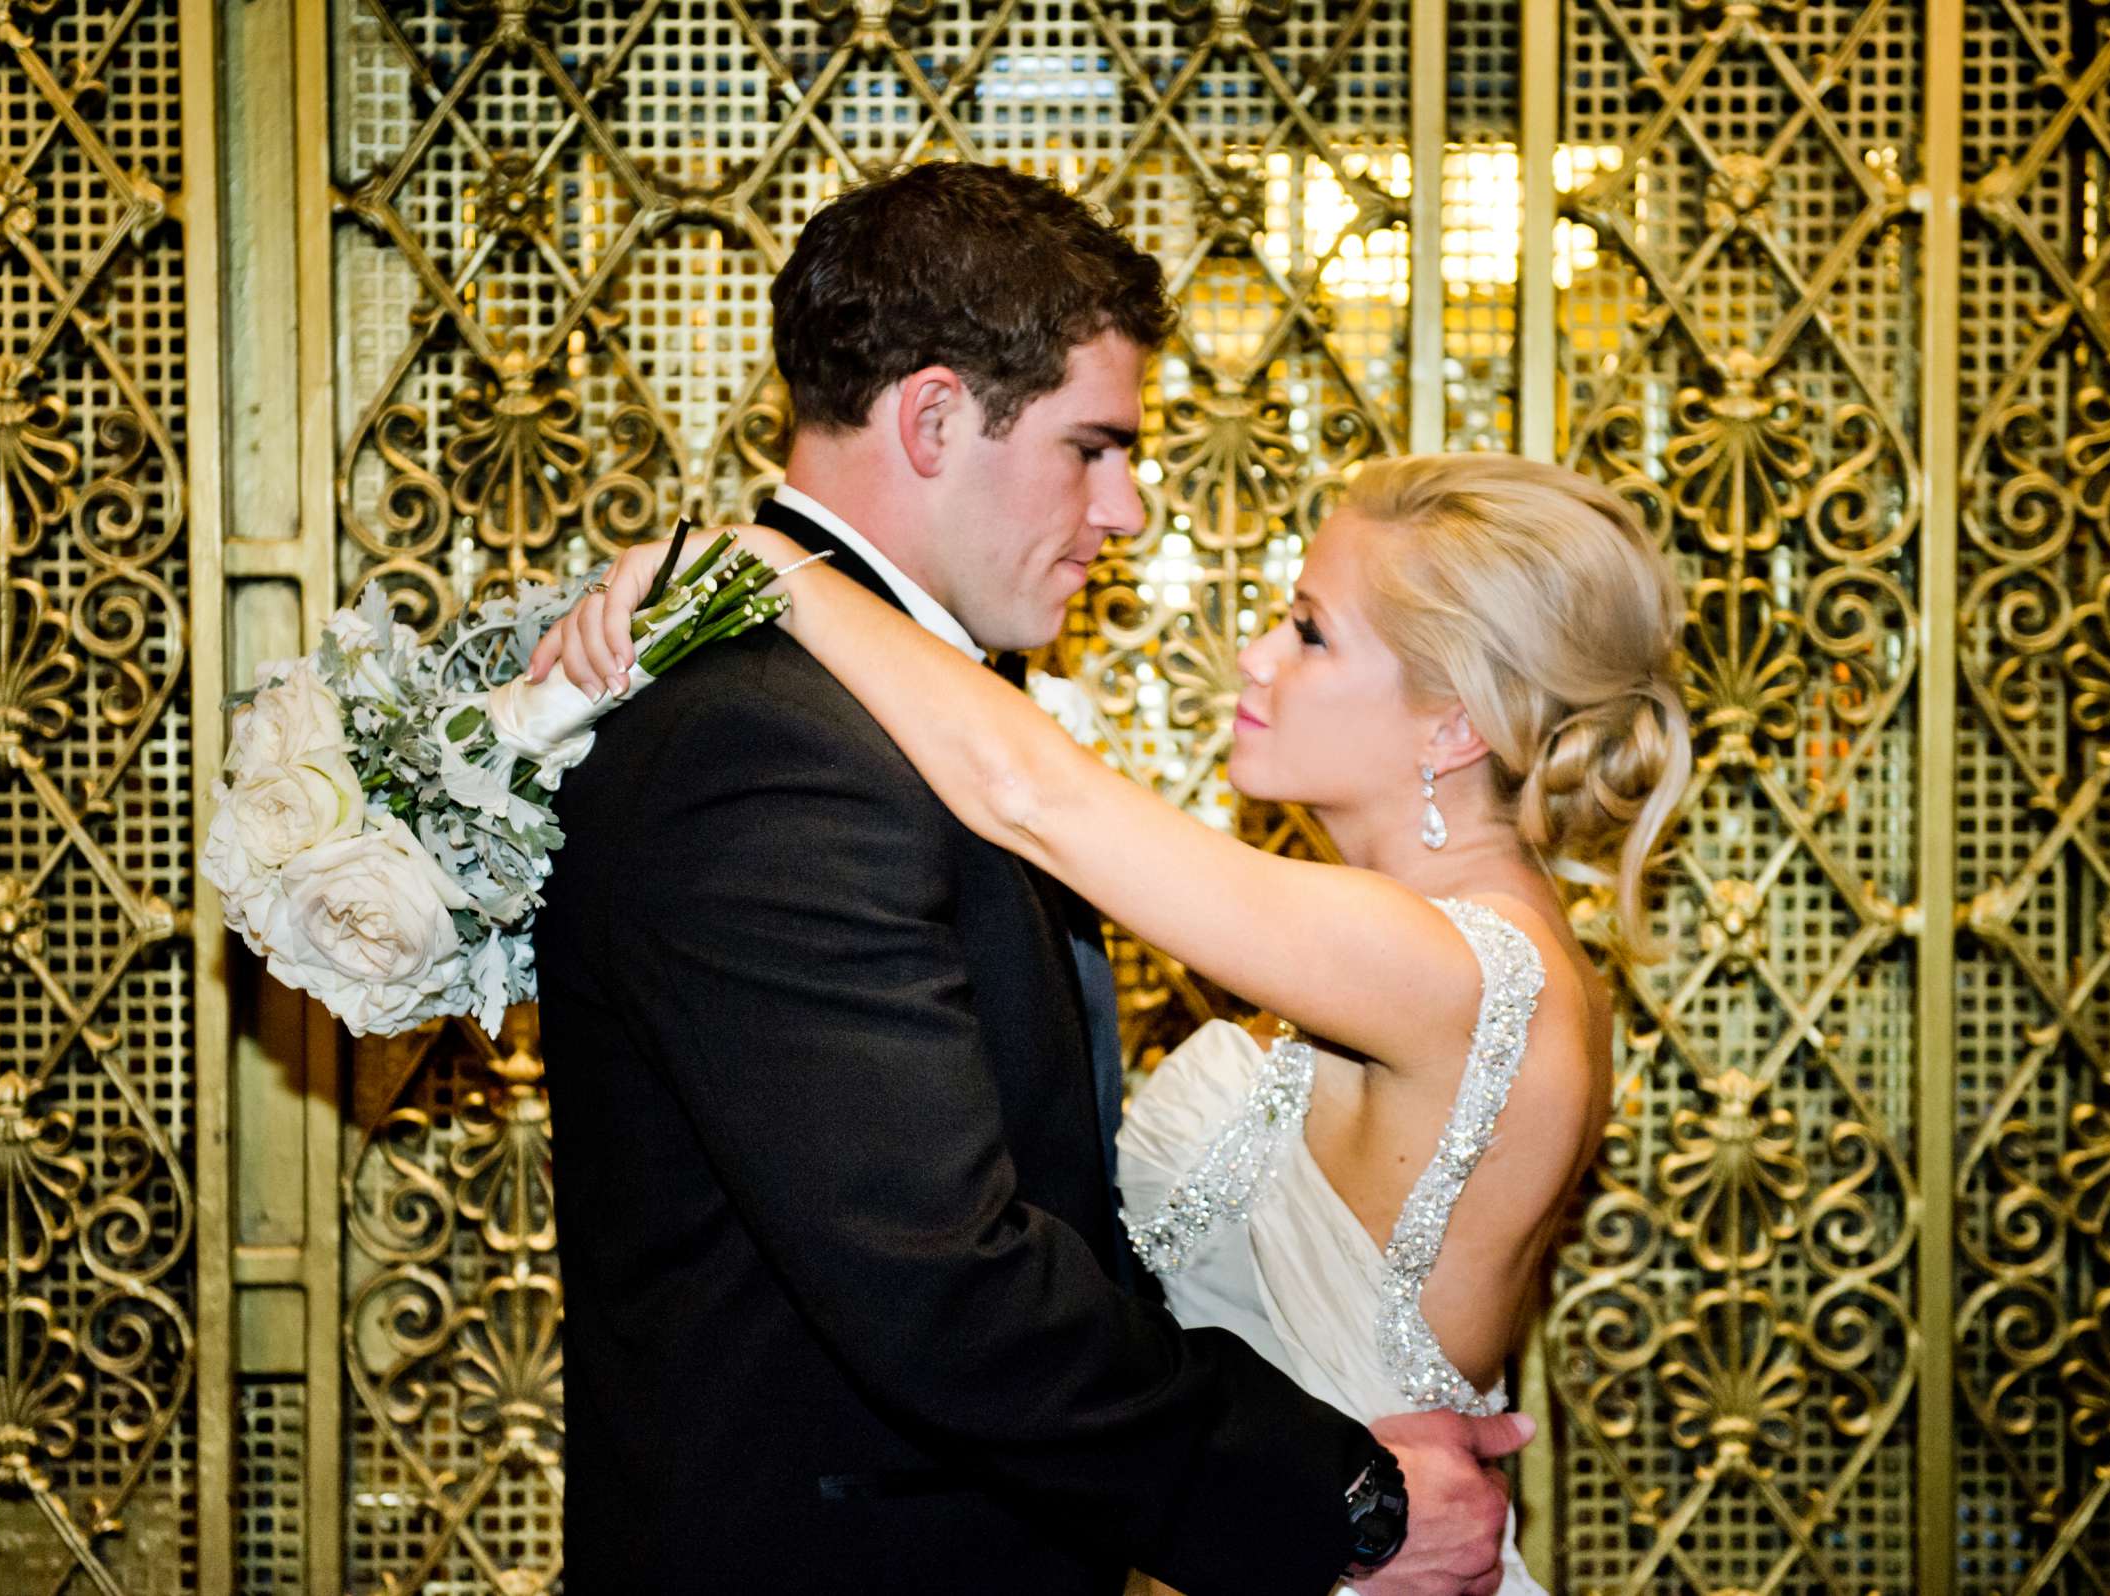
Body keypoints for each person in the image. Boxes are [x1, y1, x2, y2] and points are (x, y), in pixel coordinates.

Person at [525, 162, 1531, 1595]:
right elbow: (945, 1280)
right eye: (1093, 448)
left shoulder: (869, 703)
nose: (1125, 511)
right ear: (935, 416)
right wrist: (1340, 1500)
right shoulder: (766, 744)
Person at [537, 451, 1693, 1594]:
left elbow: (1033, 797)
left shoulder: (1451, 967)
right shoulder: (1428, 950)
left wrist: (779, 571)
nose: (1254, 655)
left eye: (1308, 629)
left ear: (1453, 726)